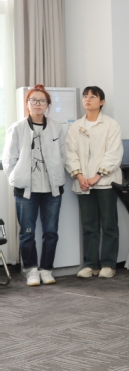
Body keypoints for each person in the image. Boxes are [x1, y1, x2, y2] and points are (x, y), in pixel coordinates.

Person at [2, 85, 67, 286]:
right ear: (27, 104)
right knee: (27, 233)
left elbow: (63, 155)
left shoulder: (57, 127)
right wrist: (16, 178)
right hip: (25, 190)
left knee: (51, 232)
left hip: (52, 189)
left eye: (42, 101)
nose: (37, 104)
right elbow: (8, 159)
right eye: (33, 100)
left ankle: (46, 269)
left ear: (47, 105)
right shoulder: (17, 128)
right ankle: (31, 270)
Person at [66, 86, 123, 279]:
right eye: (85, 96)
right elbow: (70, 153)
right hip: (83, 183)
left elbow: (114, 154)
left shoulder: (111, 125)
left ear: (102, 102)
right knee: (89, 225)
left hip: (105, 183)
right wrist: (80, 177)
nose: (87, 99)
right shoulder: (75, 126)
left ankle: (108, 264)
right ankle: (91, 264)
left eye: (92, 96)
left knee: (109, 225)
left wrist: (96, 177)